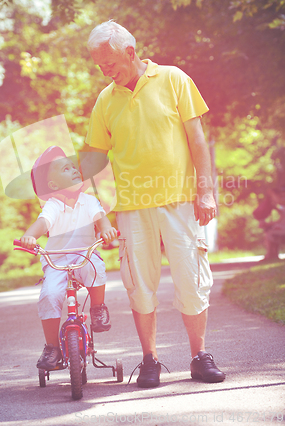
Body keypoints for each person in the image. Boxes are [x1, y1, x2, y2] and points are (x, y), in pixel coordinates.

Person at [84, 20, 225, 387]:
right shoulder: (105, 100)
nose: (105, 71)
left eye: (109, 63)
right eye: (100, 66)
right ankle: (150, 360)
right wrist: (96, 211)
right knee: (138, 284)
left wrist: (206, 191)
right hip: (131, 208)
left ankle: (199, 356)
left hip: (180, 201)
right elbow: (94, 160)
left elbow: (197, 140)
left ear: (130, 53)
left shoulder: (174, 79)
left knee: (191, 280)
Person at [21, 145, 117, 371]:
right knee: (49, 295)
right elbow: (43, 223)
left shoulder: (89, 200)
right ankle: (52, 348)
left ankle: (98, 309)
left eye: (73, 166)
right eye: (66, 169)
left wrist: (106, 230)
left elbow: (101, 219)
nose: (74, 170)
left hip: (85, 253)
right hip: (57, 259)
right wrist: (29, 237)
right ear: (53, 185)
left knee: (96, 268)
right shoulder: (53, 206)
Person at [253, 186, 285, 262]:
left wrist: (268, 224)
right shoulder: (279, 206)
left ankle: (271, 254)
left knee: (270, 232)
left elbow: (281, 219)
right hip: (281, 227)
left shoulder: (281, 202)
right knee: (270, 231)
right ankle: (272, 254)